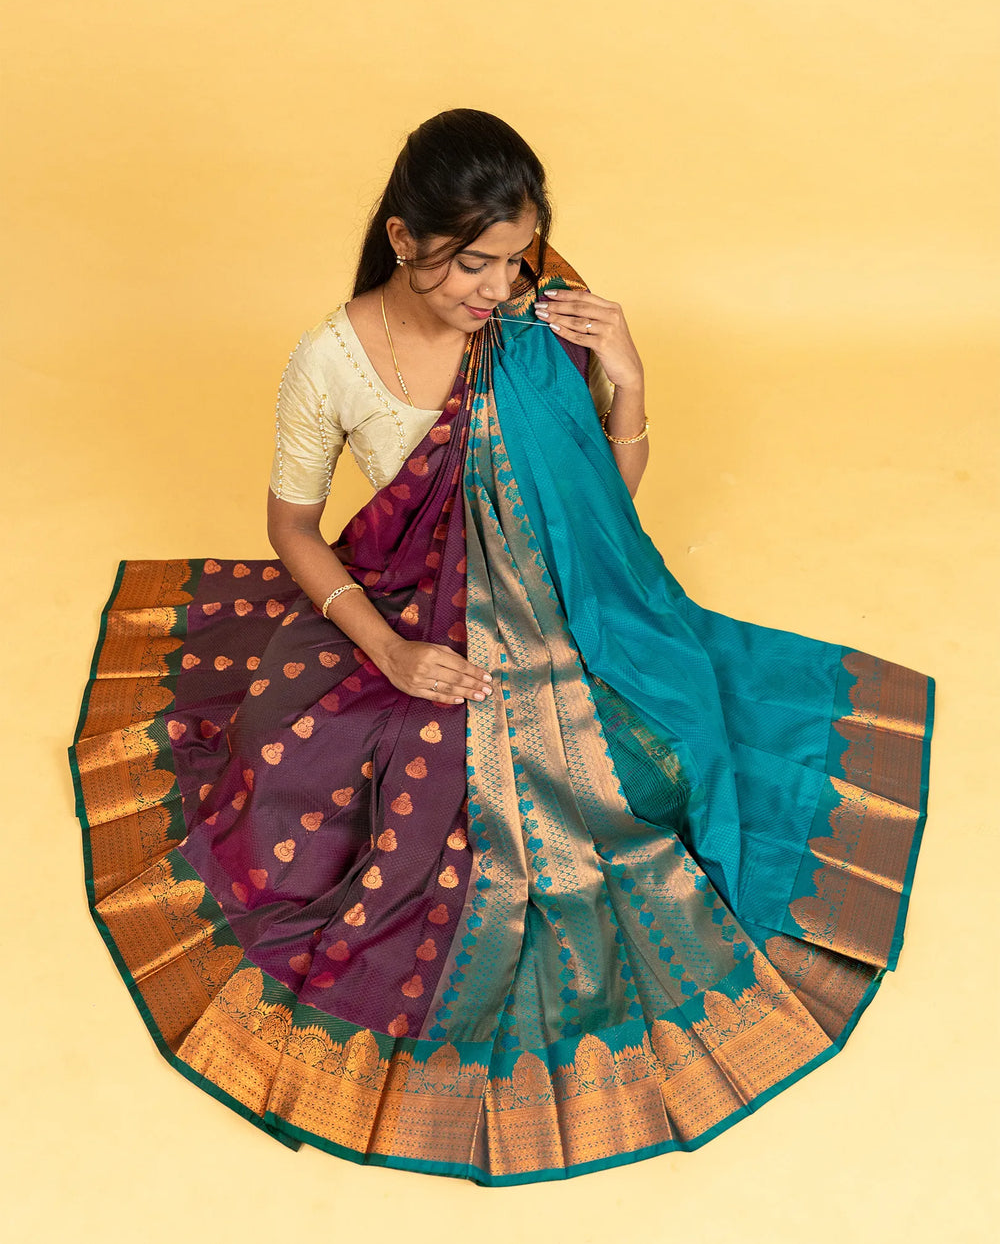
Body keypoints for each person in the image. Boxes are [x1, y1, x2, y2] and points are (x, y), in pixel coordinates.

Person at [68, 108, 935, 1187]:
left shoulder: (535, 324)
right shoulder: (330, 359)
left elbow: (602, 514)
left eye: (516, 258)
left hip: (568, 606)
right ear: (402, 238)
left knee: (654, 774)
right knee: (313, 781)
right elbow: (292, 529)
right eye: (472, 262)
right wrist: (388, 652)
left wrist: (628, 377)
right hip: (403, 609)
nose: (498, 286)